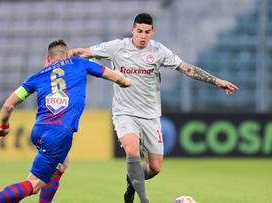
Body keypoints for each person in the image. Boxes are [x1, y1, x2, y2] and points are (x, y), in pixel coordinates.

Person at [69, 13, 239, 203]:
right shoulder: (117, 47)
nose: (143, 36)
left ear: (153, 32)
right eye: (139, 31)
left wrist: (216, 81)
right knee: (132, 151)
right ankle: (142, 199)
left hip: (150, 116)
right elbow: (81, 53)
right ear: (133, 29)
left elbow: (186, 68)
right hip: (124, 112)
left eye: (147, 32)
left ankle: (132, 182)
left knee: (155, 168)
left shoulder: (159, 51)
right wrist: (60, 59)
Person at [0, 39, 131, 203]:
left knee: (62, 164)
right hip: (59, 133)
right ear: (66, 54)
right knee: (33, 185)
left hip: (39, 130)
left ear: (48, 58)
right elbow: (113, 75)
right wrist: (126, 82)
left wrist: (3, 126)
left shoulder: (36, 77)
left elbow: (8, 106)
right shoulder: (80, 63)